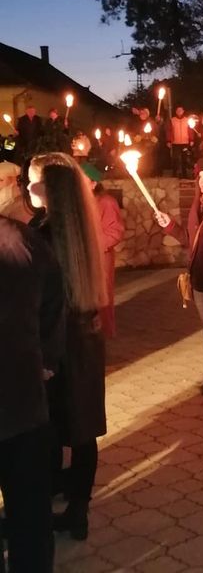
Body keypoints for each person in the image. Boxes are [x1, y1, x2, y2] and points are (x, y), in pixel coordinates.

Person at [27, 152, 108, 540]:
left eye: (34, 180)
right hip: (82, 337)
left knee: (60, 424)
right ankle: (76, 501)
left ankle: (68, 507)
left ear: (52, 189)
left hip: (58, 342)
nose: (28, 187)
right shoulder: (75, 226)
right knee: (80, 425)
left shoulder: (47, 233)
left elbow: (41, 296)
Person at [0, 215, 64, 573]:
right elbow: (54, 305)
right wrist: (46, 360)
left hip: (21, 399)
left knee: (30, 516)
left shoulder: (23, 240)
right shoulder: (25, 239)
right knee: (30, 517)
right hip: (23, 398)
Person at [155, 158, 203, 395]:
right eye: (198, 177)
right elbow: (191, 240)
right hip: (199, 277)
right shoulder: (197, 205)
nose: (200, 182)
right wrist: (170, 225)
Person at [81, 165, 124, 338]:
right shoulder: (78, 202)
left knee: (102, 299)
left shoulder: (106, 202)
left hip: (100, 260)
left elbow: (115, 232)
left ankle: (104, 336)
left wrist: (92, 246)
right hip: (82, 259)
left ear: (93, 183)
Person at [167, 106, 194, 177]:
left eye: (180, 110)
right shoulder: (172, 120)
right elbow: (169, 131)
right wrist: (169, 141)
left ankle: (184, 173)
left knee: (184, 158)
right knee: (175, 158)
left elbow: (190, 130)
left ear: (183, 111)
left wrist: (191, 139)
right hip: (175, 143)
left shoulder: (187, 120)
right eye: (178, 110)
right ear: (176, 112)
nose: (179, 112)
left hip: (185, 143)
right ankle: (175, 173)